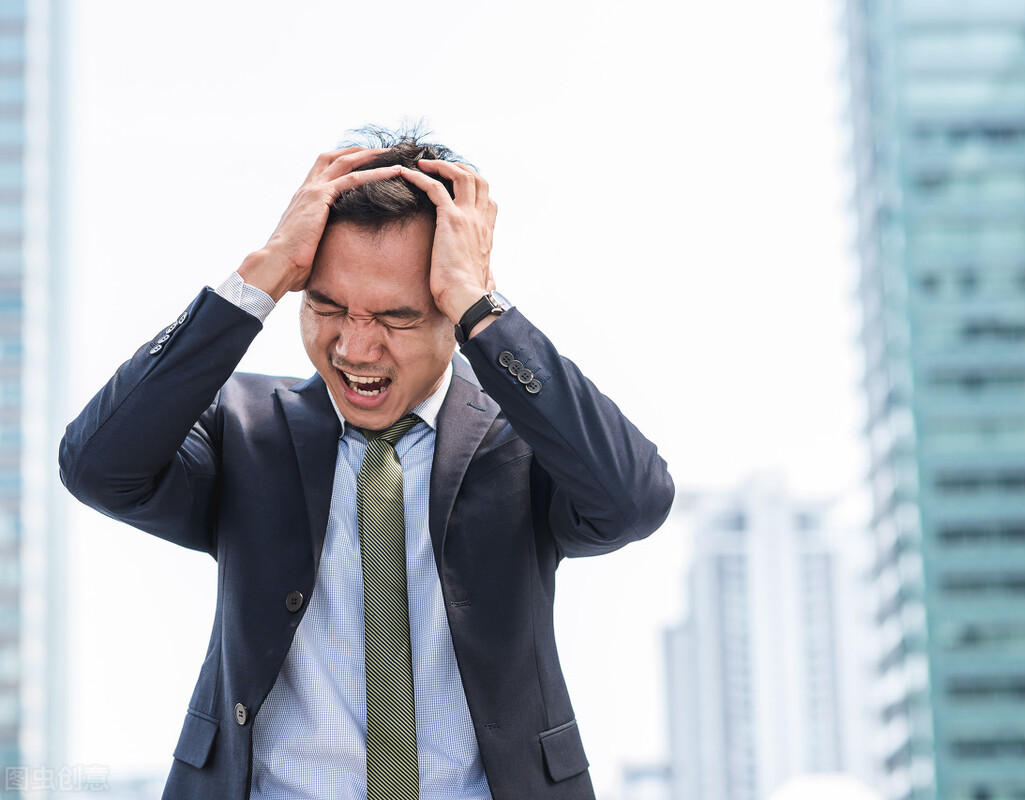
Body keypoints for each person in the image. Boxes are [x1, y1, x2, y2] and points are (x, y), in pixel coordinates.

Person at [58, 129, 675, 800]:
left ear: (451, 312)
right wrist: (258, 277)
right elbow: (98, 466)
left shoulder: (523, 442)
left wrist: (486, 306)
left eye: (396, 317)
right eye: (326, 306)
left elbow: (633, 500)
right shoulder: (245, 428)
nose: (354, 348)